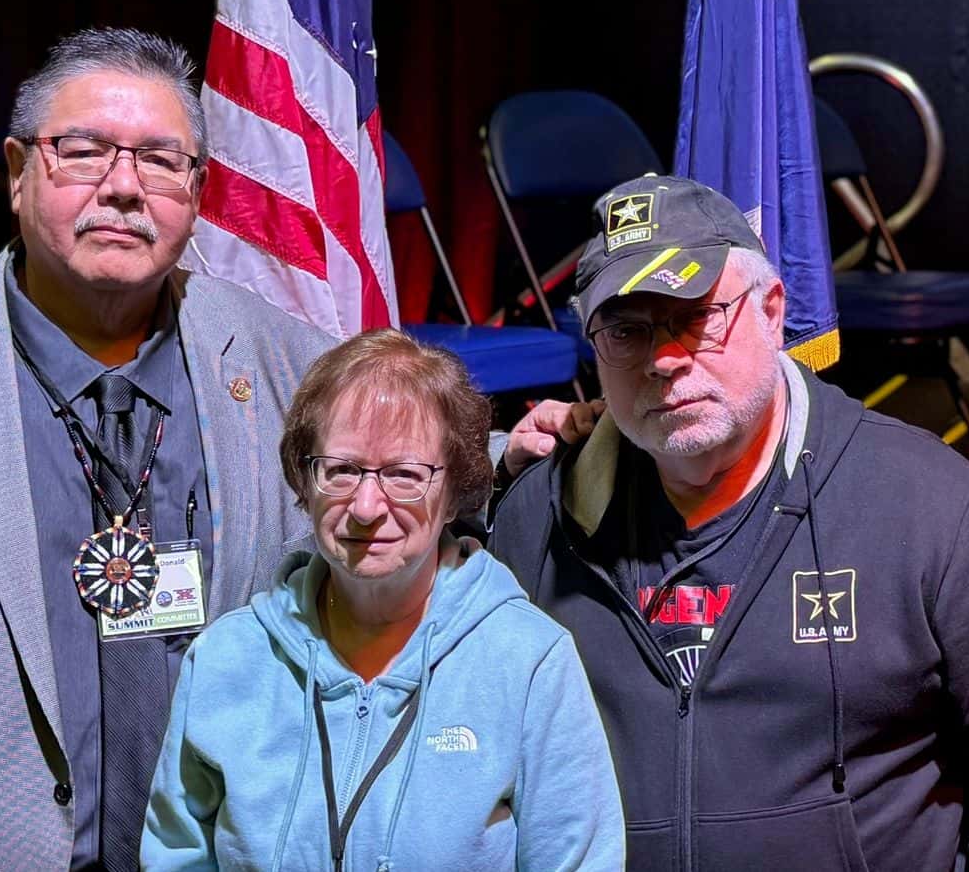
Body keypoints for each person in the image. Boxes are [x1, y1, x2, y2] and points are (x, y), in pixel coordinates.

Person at [0, 28, 576, 870]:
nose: (124, 188)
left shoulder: (276, 361)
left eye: (161, 161)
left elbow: (390, 464)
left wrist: (507, 456)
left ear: (197, 196)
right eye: (82, 150)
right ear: (17, 173)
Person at [489, 174, 969, 871]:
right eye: (628, 330)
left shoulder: (926, 505)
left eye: (696, 316)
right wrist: (492, 468)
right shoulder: (535, 518)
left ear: (773, 311)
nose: (663, 359)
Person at [142, 328, 624, 871]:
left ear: (454, 492)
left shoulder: (529, 661)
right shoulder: (226, 660)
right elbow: (175, 856)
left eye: (403, 474)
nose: (367, 506)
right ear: (305, 480)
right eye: (342, 470)